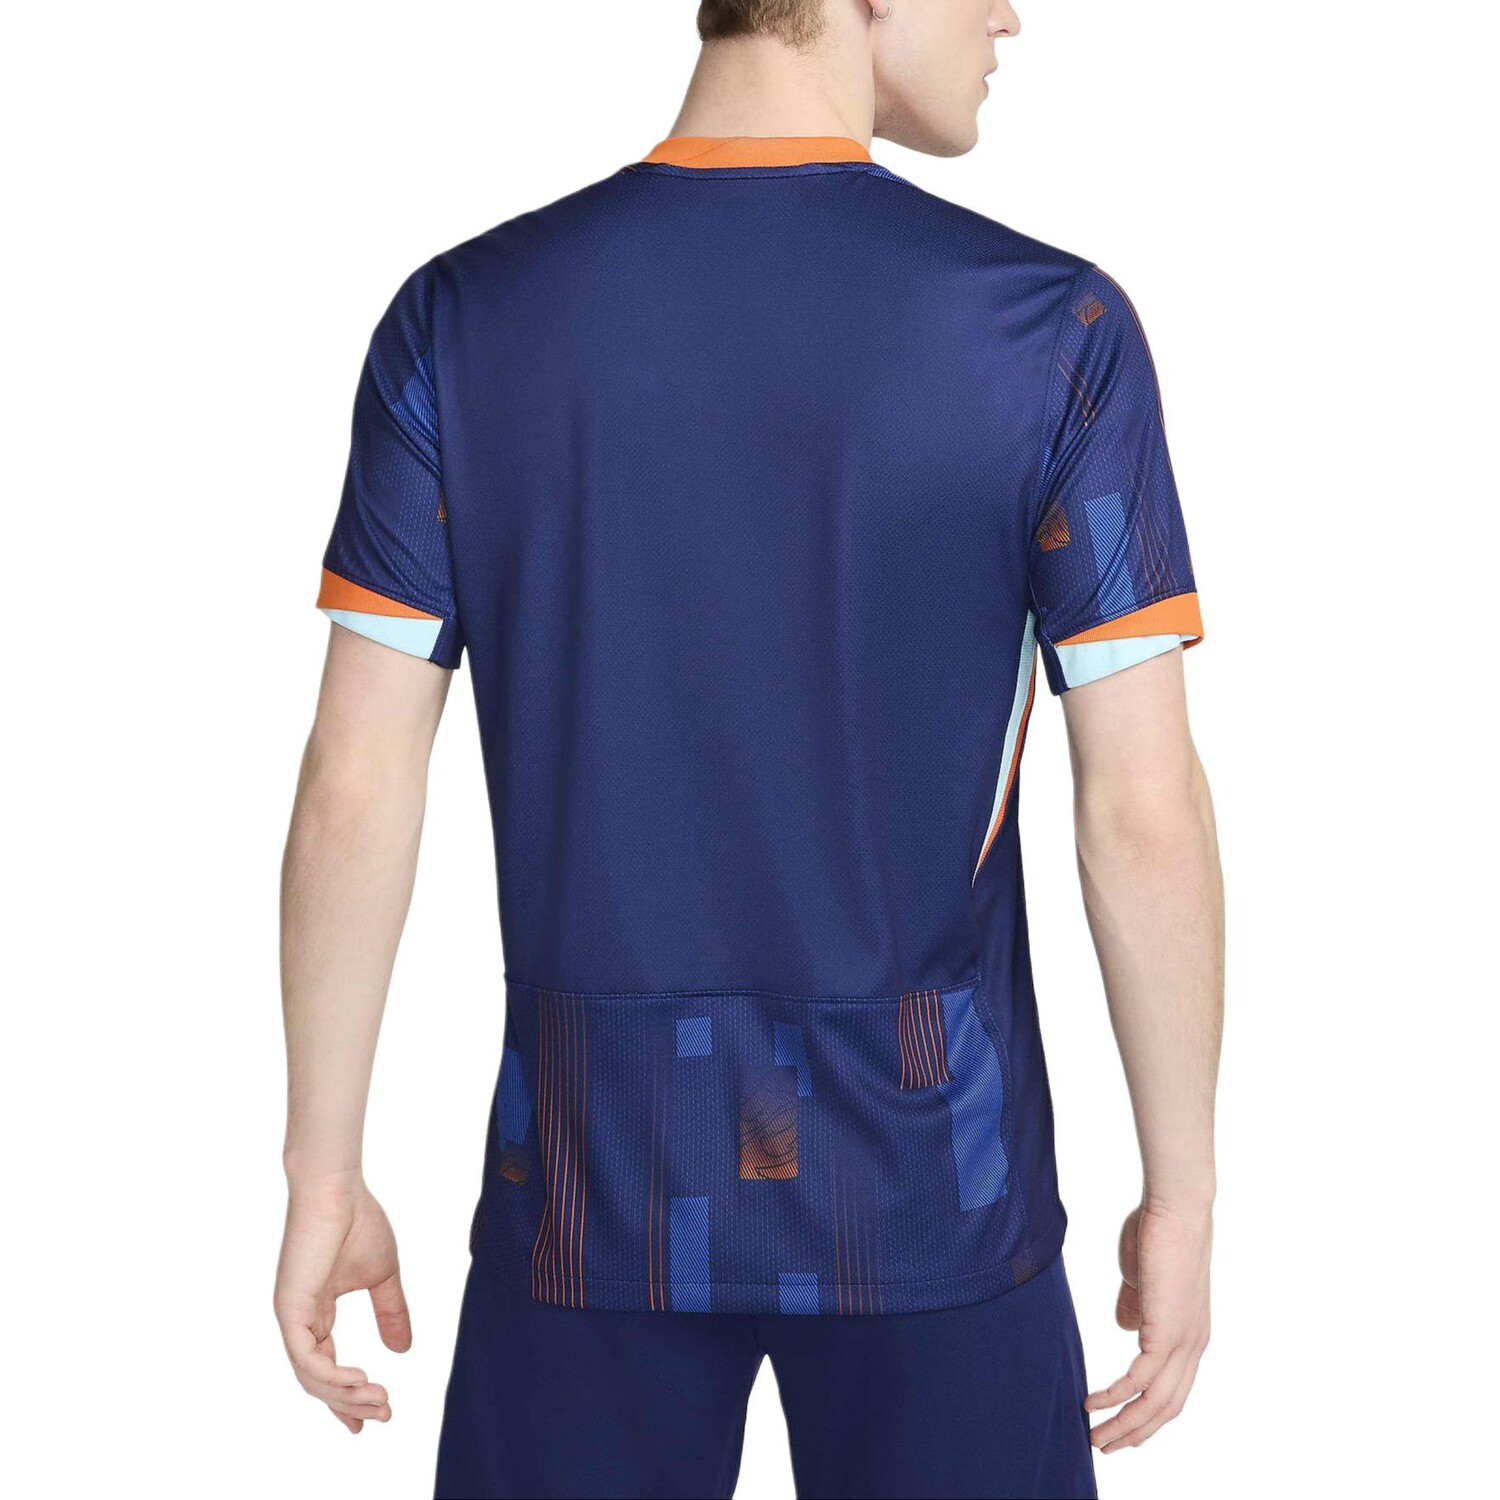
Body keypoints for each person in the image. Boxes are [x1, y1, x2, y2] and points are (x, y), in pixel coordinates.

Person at [274, 2, 1224, 1496]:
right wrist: (1183, 1194)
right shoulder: (1055, 335)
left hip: (590, 1186)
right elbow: (1140, 810)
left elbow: (356, 784)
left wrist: (322, 1169)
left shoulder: (462, 321)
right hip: (934, 1191)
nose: (1007, 13)